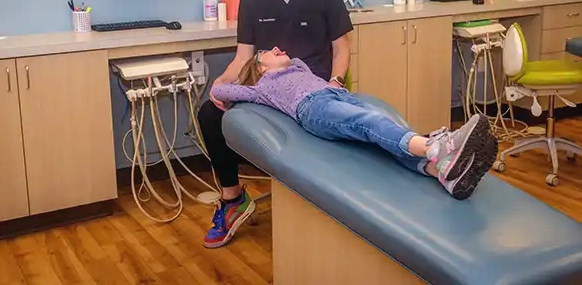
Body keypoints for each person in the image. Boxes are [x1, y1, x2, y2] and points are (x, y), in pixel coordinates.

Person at [197, 0, 353, 249]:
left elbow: (342, 47)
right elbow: (243, 58)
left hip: (312, 93)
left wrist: (336, 82)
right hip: (267, 93)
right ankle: (232, 199)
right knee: (210, 114)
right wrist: (219, 84)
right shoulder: (253, 0)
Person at [211, 47, 499, 202]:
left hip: (337, 95)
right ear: (259, 70)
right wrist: (217, 87)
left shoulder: (296, 69)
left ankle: (439, 171)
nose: (275, 48)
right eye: (267, 52)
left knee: (381, 130)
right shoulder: (262, 85)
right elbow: (228, 90)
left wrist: (281, 60)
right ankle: (436, 148)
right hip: (313, 107)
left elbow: (299, 63)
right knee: (369, 123)